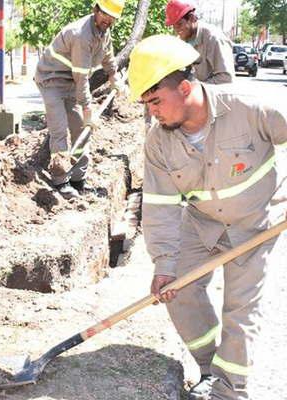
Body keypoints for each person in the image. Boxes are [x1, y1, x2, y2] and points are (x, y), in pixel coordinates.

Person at [128, 34, 287, 400]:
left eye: (156, 101)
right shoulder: (159, 141)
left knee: (240, 312)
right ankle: (207, 366)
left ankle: (229, 392)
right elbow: (160, 205)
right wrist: (165, 263)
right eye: (146, 103)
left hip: (254, 225)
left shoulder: (247, 108)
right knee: (177, 290)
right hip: (201, 223)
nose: (153, 111)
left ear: (184, 88)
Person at [34, 0, 129, 199]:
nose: (108, 19)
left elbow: (108, 54)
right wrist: (88, 110)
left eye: (112, 16)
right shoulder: (81, 35)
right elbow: (82, 78)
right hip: (51, 81)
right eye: (104, 14)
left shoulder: (103, 31)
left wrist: (114, 77)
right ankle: (60, 182)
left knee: (80, 131)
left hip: (69, 83)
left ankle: (78, 180)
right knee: (59, 130)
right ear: (95, 9)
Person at [165, 0, 234, 84]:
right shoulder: (181, 40)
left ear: (191, 18)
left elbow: (226, 79)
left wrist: (195, 89)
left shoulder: (214, 38)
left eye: (179, 24)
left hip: (213, 95)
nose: (177, 30)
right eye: (174, 26)